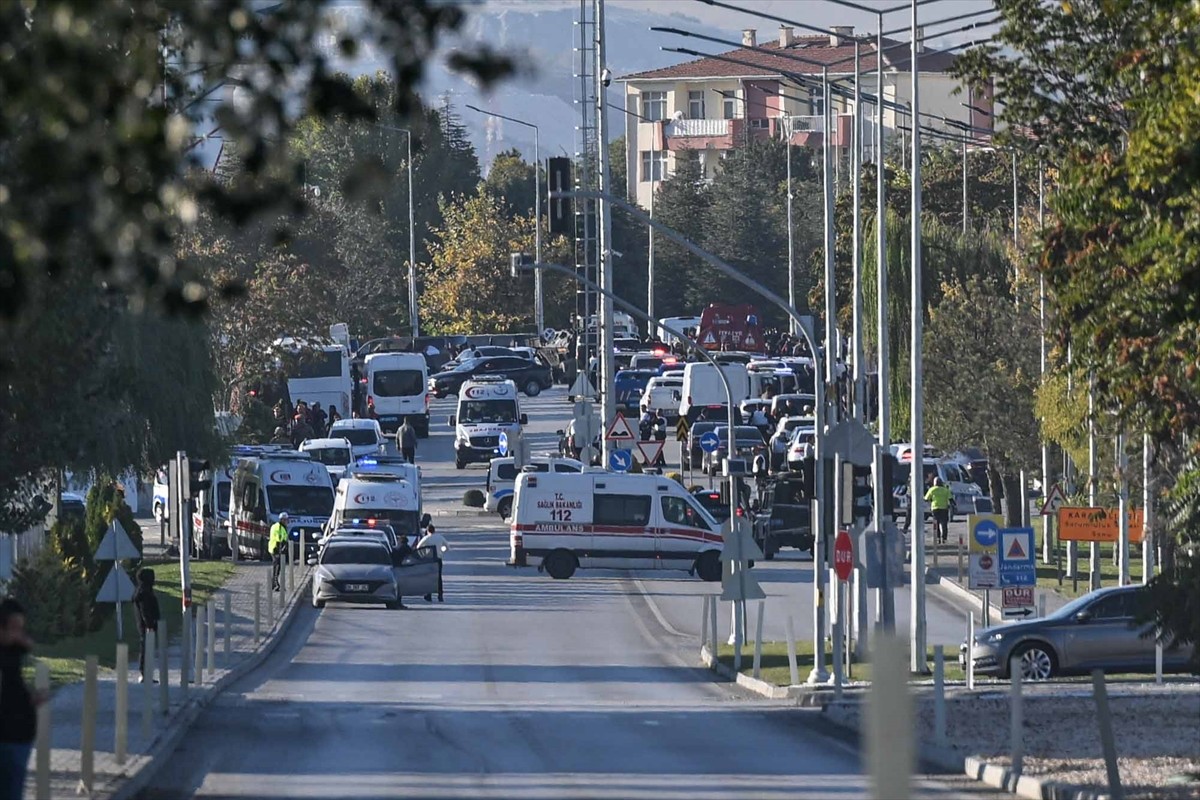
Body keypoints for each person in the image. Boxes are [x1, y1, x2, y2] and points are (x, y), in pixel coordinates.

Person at [0, 597, 43, 799]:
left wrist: (30, 699)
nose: (18, 633)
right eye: (14, 628)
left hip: (19, 735)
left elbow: (27, 644)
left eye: (21, 628)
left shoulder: (14, 649)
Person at [132, 568, 161, 683]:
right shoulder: (143, 593)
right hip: (147, 626)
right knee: (146, 649)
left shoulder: (144, 591)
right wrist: (149, 625)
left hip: (147, 625)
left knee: (147, 648)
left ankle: (147, 673)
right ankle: (144, 673)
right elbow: (145, 611)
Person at [417, 524, 449, 603]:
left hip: (429, 560)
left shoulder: (426, 538)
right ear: (434, 530)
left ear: (428, 531)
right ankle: (440, 595)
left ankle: (429, 595)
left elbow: (418, 547)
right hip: (438, 559)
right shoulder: (439, 537)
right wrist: (442, 551)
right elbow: (447, 546)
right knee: (439, 577)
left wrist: (424, 553)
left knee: (429, 577)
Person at [924, 477, 952, 544]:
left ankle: (937, 538)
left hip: (935, 508)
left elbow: (926, 499)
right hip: (944, 508)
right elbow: (951, 499)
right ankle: (944, 539)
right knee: (944, 524)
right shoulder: (945, 490)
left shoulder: (932, 489)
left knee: (936, 524)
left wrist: (931, 500)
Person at [269, 512, 290, 591]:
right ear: (282, 520)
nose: (287, 521)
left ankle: (274, 584)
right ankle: (275, 584)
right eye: (286, 520)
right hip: (276, 549)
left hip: (276, 548)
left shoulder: (281, 526)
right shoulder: (279, 527)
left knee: (278, 567)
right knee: (277, 567)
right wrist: (280, 550)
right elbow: (279, 540)